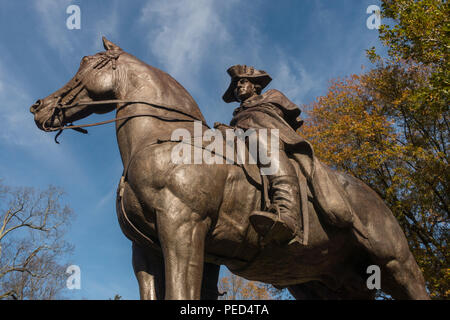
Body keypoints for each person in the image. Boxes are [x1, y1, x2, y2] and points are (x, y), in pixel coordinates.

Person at [221, 64, 307, 245]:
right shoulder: (238, 114)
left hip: (269, 136)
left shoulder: (272, 96)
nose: (238, 87)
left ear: (255, 85)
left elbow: (276, 119)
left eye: (242, 82)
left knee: (262, 143)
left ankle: (289, 215)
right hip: (245, 140)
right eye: (235, 86)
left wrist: (248, 128)